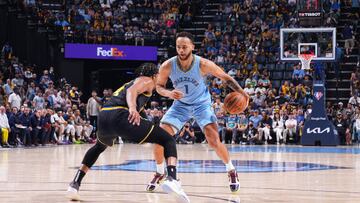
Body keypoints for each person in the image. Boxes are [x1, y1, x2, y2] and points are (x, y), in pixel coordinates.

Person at [67, 63, 190, 203]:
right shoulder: (146, 80)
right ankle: (172, 179)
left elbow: (152, 92)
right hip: (121, 115)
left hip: (105, 117)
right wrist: (132, 108)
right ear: (154, 75)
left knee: (98, 147)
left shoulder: (139, 83)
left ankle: (75, 184)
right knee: (167, 139)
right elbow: (132, 91)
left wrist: (169, 93)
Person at [147, 32, 249, 193]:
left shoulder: (203, 64)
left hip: (201, 104)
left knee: (213, 139)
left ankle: (231, 170)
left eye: (184, 47)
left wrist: (243, 93)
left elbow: (225, 78)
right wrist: (168, 93)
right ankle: (160, 172)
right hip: (180, 105)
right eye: (178, 47)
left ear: (192, 47)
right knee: (160, 138)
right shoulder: (168, 65)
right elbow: (158, 86)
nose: (181, 50)